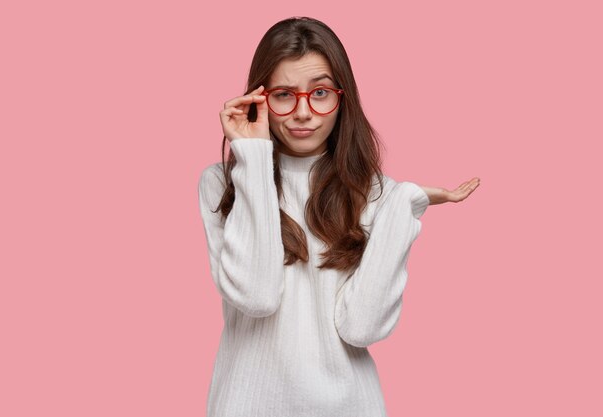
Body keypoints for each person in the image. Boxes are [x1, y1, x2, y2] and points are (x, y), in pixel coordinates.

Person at [198, 16, 480, 417]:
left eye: (320, 92)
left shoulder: (374, 192)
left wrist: (403, 207)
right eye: (283, 94)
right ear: (258, 100)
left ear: (341, 97)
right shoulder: (221, 183)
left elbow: (362, 327)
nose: (303, 112)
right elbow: (257, 296)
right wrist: (255, 157)